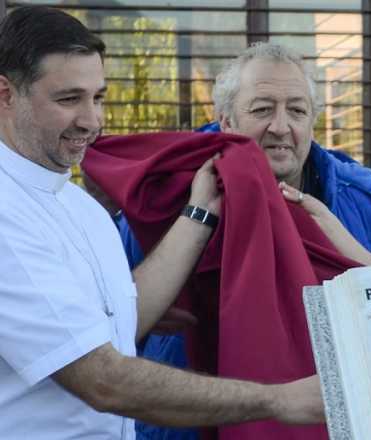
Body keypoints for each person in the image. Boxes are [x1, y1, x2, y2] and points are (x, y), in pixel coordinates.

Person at [0, 6, 323, 439]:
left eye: (98, 98)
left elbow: (121, 324)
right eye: (68, 99)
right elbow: (103, 379)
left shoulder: (81, 209)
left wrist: (201, 211)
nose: (91, 121)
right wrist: (279, 401)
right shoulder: (7, 214)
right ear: (5, 95)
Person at [128, 42, 371, 440]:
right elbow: (108, 335)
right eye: (263, 109)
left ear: (313, 122)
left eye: (297, 111)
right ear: (226, 121)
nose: (281, 127)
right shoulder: (158, 203)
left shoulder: (365, 204)